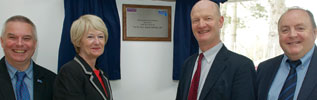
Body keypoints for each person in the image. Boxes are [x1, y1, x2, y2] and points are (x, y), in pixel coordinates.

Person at [176, 1, 256, 100]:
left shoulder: (242, 66)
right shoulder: (187, 64)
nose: (201, 25)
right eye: (196, 20)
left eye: (208, 18)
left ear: (220, 22)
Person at [257, 7, 317, 100]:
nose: (292, 35)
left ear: (314, 33)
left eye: (300, 28)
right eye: (285, 30)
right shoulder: (264, 69)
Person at [53, 14, 113, 100]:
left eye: (100, 37)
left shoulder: (102, 75)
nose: (97, 42)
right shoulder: (69, 72)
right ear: (78, 41)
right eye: (90, 37)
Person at [0, 15, 56, 100]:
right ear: (2, 41)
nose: (19, 44)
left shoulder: (53, 81)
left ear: (35, 44)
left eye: (26, 38)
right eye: (12, 37)